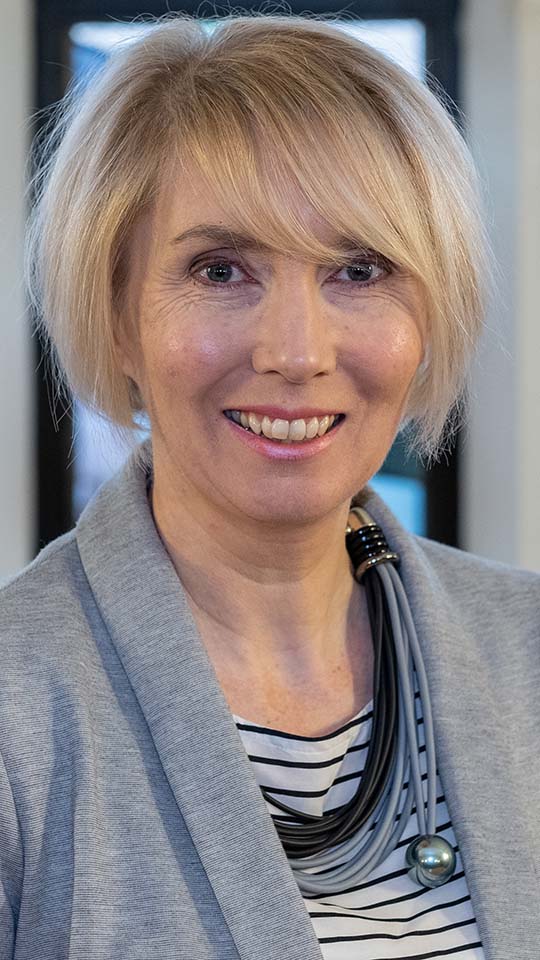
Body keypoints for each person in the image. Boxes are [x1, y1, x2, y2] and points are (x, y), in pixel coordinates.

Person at [1, 12, 539, 960]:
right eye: (220, 269)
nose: (296, 352)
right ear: (116, 310)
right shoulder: (17, 715)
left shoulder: (526, 650)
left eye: (358, 269)